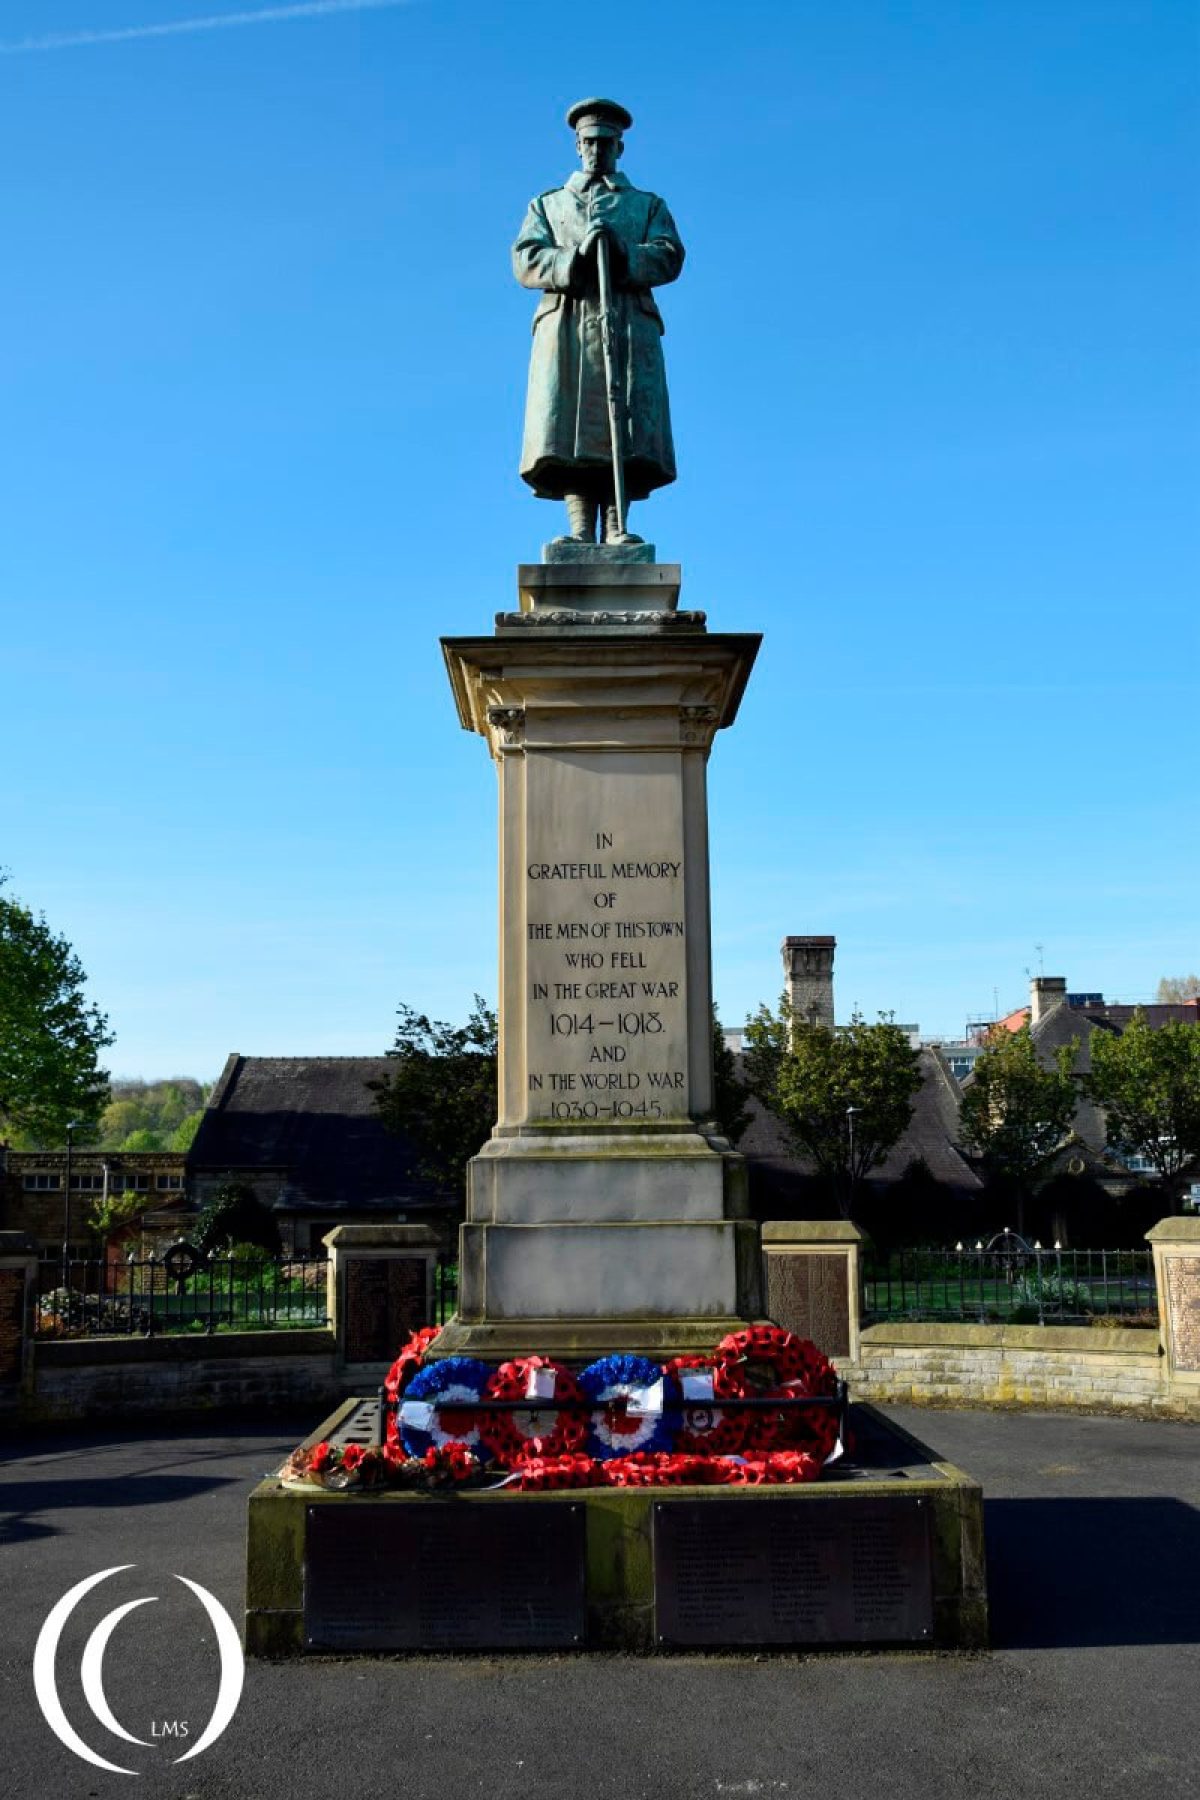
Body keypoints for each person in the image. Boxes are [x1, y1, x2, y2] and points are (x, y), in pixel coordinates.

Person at [513, 98, 685, 547]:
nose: (596, 150)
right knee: (573, 424)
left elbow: (670, 256)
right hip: (569, 323)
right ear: (577, 146)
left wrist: (625, 252)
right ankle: (577, 530)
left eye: (606, 143)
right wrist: (575, 257)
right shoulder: (548, 205)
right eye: (589, 142)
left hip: (626, 322)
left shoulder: (646, 205)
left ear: (619, 148)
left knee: (621, 421)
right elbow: (525, 259)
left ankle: (616, 527)